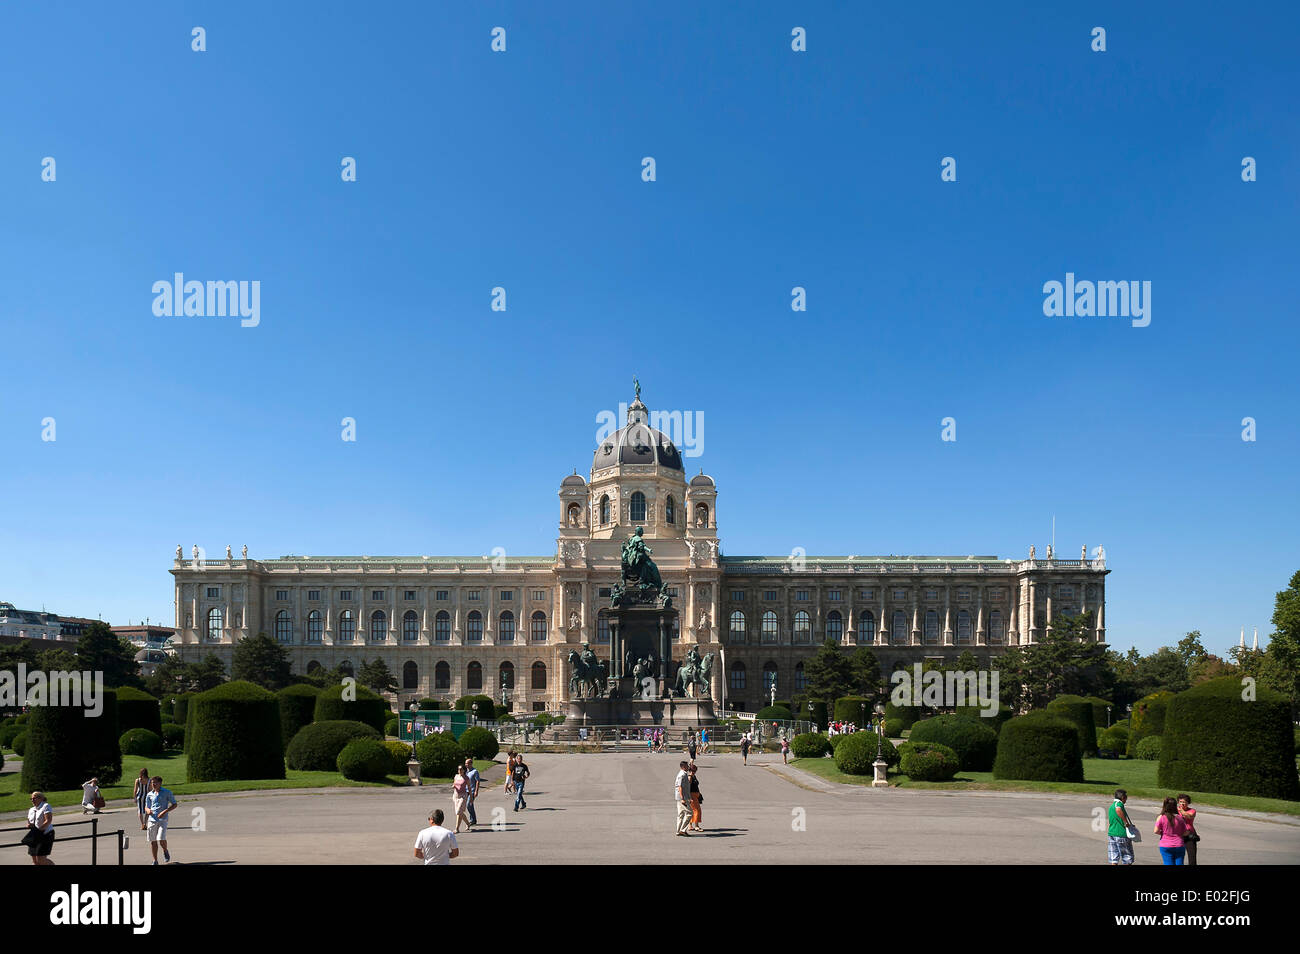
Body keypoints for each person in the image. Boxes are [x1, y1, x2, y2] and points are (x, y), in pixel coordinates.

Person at [145, 776, 178, 865]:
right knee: (153, 841)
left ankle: (165, 850)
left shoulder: (167, 792)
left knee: (161, 838)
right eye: (152, 783)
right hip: (152, 820)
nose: (153, 784)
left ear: (160, 783)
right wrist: (148, 810)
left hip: (163, 819)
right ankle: (155, 860)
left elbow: (174, 804)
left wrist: (165, 811)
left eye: (155, 782)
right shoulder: (149, 794)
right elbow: (147, 806)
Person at [1154, 796, 1189, 865]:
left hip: (1166, 844)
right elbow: (1185, 832)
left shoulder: (1161, 817)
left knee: (1168, 863)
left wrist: (1164, 833)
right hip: (1179, 844)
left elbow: (1156, 831)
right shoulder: (1180, 818)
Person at [1106, 789, 1135, 866]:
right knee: (1127, 857)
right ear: (1122, 797)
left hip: (1112, 833)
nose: (1126, 799)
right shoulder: (1118, 804)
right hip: (1121, 833)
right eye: (1126, 797)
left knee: (1114, 857)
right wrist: (1126, 822)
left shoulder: (1112, 805)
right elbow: (1118, 809)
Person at [25, 791, 55, 866]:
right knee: (35, 861)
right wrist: (29, 825)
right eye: (31, 799)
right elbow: (31, 823)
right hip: (35, 835)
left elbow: (48, 821)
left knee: (41, 860)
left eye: (34, 798)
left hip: (45, 834)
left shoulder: (46, 806)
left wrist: (39, 830)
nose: (32, 800)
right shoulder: (31, 809)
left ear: (41, 798)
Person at [1178, 794, 1199, 866]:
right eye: (1180, 802)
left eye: (1184, 802)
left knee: (1192, 856)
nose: (1182, 804)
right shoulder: (1175, 810)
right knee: (1178, 856)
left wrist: (1181, 811)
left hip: (1190, 835)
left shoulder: (1192, 810)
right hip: (1178, 835)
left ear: (1188, 803)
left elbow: (1189, 816)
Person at [674, 761, 692, 836]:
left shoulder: (683, 774)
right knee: (689, 813)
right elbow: (680, 787)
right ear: (684, 767)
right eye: (687, 766)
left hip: (681, 797)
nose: (688, 767)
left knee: (680, 814)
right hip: (682, 798)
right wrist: (682, 798)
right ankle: (683, 830)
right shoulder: (682, 775)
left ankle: (678, 831)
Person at [451, 764, 470, 833]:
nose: (459, 770)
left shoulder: (466, 778)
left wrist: (470, 797)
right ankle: (468, 823)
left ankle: (457, 828)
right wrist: (453, 786)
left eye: (461, 769)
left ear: (464, 770)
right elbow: (454, 783)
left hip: (463, 796)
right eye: (458, 769)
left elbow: (469, 788)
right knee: (460, 812)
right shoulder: (456, 776)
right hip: (456, 796)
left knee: (458, 811)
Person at [464, 758, 481, 828]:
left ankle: (472, 819)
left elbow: (478, 781)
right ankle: (473, 820)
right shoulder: (465, 772)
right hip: (466, 791)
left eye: (467, 763)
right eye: (465, 763)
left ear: (471, 764)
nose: (466, 765)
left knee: (468, 805)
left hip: (472, 791)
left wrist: (476, 791)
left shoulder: (475, 771)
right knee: (470, 805)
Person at [688, 763, 703, 832]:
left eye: (695, 770)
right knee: (697, 810)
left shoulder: (694, 776)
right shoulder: (690, 777)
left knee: (692, 810)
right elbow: (688, 787)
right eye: (693, 770)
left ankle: (690, 826)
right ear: (690, 770)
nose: (694, 772)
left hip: (695, 795)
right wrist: (689, 797)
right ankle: (696, 826)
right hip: (692, 795)